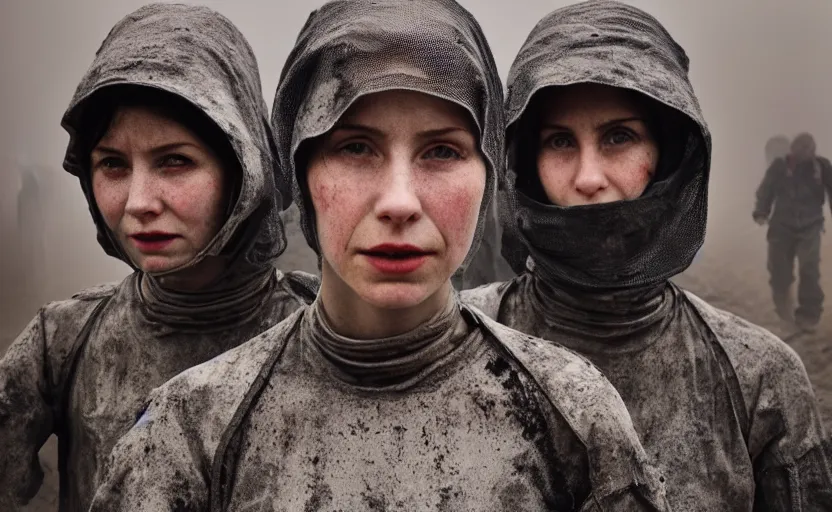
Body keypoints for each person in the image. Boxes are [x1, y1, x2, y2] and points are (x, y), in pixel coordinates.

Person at [89, 1, 669, 510]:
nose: (399, 202)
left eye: (441, 151)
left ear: (488, 176)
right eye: (355, 147)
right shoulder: (192, 429)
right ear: (301, 173)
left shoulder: (575, 415)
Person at [463, 1, 832, 509]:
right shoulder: (459, 340)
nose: (588, 177)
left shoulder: (760, 380)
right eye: (559, 141)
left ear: (666, 156)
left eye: (620, 137)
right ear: (528, 162)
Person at [0, 4, 317, 510]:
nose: (139, 202)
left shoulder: (323, 330)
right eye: (113, 164)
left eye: (175, 161)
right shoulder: (63, 341)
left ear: (243, 170)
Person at [754, 132, 832, 330]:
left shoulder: (822, 167)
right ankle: (783, 308)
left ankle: (809, 315)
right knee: (779, 270)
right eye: (800, 148)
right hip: (781, 226)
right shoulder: (780, 166)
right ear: (793, 149)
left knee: (809, 268)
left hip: (811, 225)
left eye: (808, 148)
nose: (804, 152)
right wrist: (761, 211)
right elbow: (766, 190)